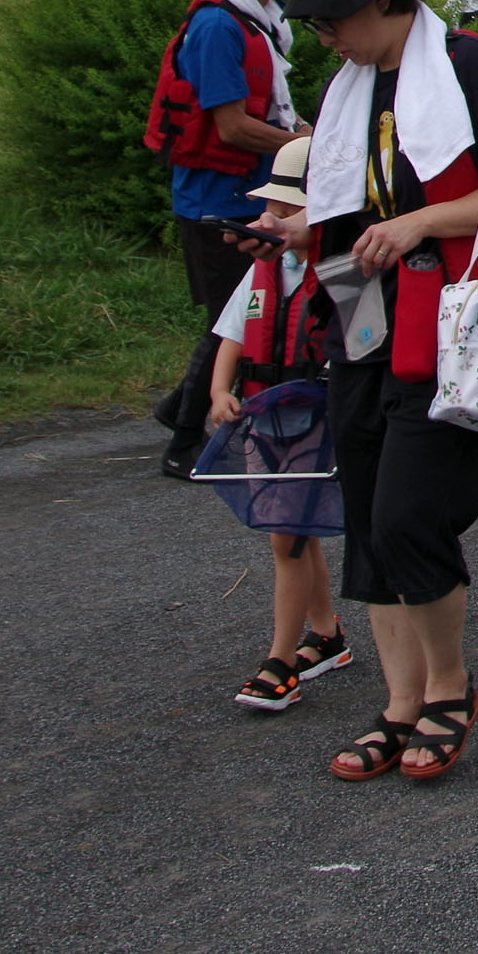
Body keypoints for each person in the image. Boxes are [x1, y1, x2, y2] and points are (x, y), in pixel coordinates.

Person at [278, 0, 478, 782]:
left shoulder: (474, 69)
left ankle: (450, 686)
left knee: (409, 517)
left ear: (376, 0)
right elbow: (355, 206)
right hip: (360, 320)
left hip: (453, 325)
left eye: (329, 20)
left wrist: (422, 222)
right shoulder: (346, 87)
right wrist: (296, 228)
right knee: (367, 522)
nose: (322, 37)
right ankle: (400, 705)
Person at [143, 0, 309, 478]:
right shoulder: (218, 26)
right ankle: (185, 444)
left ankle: (176, 408)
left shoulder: (259, 16)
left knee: (233, 315)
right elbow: (232, 125)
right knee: (233, 320)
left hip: (244, 193)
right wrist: (296, 142)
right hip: (216, 203)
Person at [202, 134, 351, 714]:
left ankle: (281, 659)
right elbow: (232, 334)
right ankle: (327, 634)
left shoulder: (340, 271)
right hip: (263, 421)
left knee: (286, 538)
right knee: (292, 535)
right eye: (271, 208)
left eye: (285, 210)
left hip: (312, 420)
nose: (268, 219)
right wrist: (219, 389)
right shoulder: (265, 273)